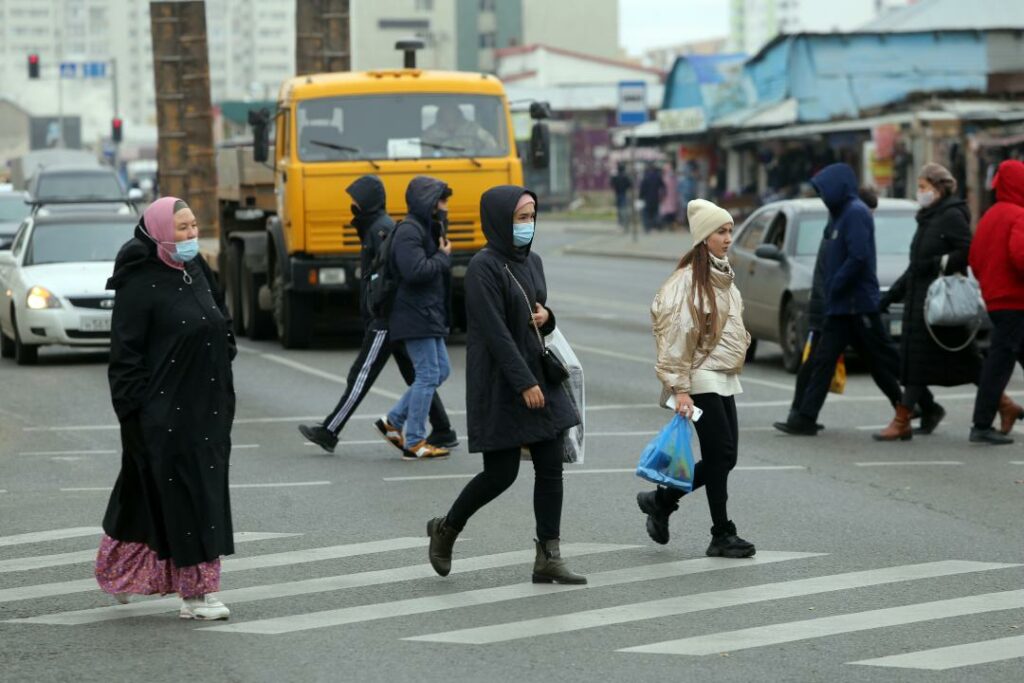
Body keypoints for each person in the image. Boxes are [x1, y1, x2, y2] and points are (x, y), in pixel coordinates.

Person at [425, 186, 586, 584]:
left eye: (531, 217)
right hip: (501, 381)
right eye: (520, 218)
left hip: (538, 374)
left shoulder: (533, 262)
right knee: (501, 473)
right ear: (499, 220)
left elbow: (536, 315)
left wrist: (548, 317)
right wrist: (523, 382)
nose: (528, 224)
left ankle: (548, 556)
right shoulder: (482, 267)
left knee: (550, 467)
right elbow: (495, 333)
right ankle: (447, 528)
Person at [96, 197, 236, 621]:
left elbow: (219, 315)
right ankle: (196, 596)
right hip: (165, 415)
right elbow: (125, 357)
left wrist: (224, 344)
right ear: (159, 232)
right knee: (190, 498)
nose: (191, 235)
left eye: (194, 226)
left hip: (209, 408)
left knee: (154, 495)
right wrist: (135, 417)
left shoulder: (196, 269)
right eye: (182, 228)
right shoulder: (139, 284)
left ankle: (121, 574)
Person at [298, 176, 457, 453]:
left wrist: (379, 310)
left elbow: (400, 274)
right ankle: (430, 430)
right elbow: (398, 272)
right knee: (424, 374)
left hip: (394, 317)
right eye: (442, 200)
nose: (353, 206)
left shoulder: (386, 228)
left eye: (356, 201)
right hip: (404, 315)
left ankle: (343, 430)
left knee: (413, 374)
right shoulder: (400, 228)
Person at [636, 199, 756, 558]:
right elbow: (676, 335)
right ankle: (721, 533)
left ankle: (661, 501)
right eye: (721, 231)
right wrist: (680, 389)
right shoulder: (686, 282)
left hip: (721, 373)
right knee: (720, 455)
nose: (728, 238)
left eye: (730, 230)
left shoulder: (722, 276)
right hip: (698, 377)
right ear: (704, 237)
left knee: (726, 457)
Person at [774, 163, 903, 436]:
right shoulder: (837, 215)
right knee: (823, 361)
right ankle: (805, 417)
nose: (822, 196)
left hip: (857, 305)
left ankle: (919, 403)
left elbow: (858, 257)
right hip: (840, 306)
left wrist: (836, 284)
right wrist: (831, 292)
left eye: (824, 190)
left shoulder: (855, 213)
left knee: (884, 359)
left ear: (838, 188)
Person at [874, 164, 981, 441]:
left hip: (938, 303)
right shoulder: (928, 217)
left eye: (924, 187)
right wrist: (890, 297)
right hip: (920, 302)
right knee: (927, 364)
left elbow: (968, 250)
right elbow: (915, 267)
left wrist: (939, 263)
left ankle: (902, 420)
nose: (919, 192)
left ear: (939, 188)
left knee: (925, 365)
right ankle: (1004, 405)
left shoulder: (951, 215)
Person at [374, 176, 454, 459]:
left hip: (427, 312)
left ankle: (394, 420)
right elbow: (414, 271)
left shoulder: (427, 227)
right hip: (414, 313)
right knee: (428, 374)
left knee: (440, 371)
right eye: (442, 200)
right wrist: (443, 257)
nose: (446, 206)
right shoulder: (409, 230)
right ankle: (415, 440)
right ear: (428, 202)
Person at [969, 159, 1024, 444]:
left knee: (1005, 357)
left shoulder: (989, 216)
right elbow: (1021, 256)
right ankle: (981, 424)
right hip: (1015, 301)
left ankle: (984, 422)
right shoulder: (1018, 215)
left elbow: (975, 258)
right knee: (999, 364)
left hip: (996, 300)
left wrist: (990, 284)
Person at [422, 102, 498, 154]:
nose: (449, 116)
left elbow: (492, 147)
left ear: (458, 116)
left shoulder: (473, 129)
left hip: (472, 166)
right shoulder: (431, 133)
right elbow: (425, 154)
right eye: (445, 117)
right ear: (440, 117)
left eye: (452, 115)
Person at [640, 163, 664, 233]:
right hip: (655, 198)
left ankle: (647, 227)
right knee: (655, 212)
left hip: (647, 198)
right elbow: (663, 186)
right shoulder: (658, 177)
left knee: (646, 213)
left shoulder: (645, 177)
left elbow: (642, 189)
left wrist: (640, 197)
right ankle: (655, 226)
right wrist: (662, 196)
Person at [611, 162, 632, 231]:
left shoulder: (615, 177)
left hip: (618, 194)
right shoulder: (625, 177)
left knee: (620, 210)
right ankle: (625, 223)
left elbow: (612, 184)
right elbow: (630, 185)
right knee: (624, 209)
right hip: (624, 194)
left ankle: (621, 223)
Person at [659, 163, 679, 229]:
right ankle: (671, 225)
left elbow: (662, 188)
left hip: (667, 196)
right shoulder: (673, 177)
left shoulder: (664, 177)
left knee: (667, 211)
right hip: (671, 196)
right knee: (671, 210)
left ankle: (668, 224)